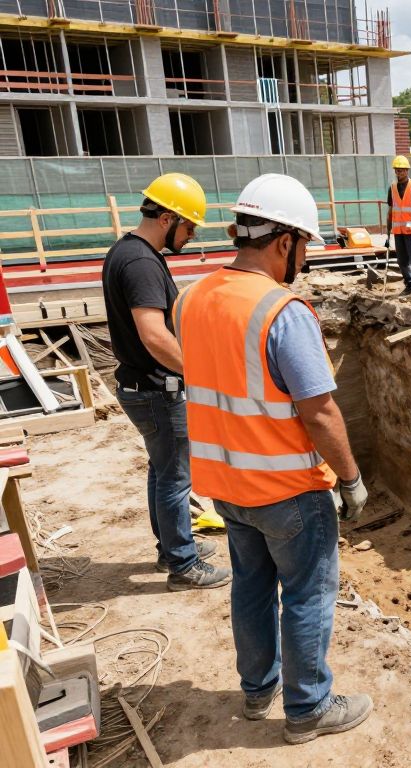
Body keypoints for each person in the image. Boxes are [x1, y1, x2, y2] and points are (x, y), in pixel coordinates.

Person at [173, 173, 372, 744]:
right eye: (304, 246)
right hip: (287, 490)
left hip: (225, 485)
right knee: (307, 594)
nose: (304, 259)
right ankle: (308, 708)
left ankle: (260, 690)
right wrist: (352, 479)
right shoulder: (282, 311)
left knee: (251, 586)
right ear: (283, 242)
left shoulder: (192, 298)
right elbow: (321, 412)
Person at [101, 173, 231, 591]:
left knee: (162, 472)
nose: (191, 236)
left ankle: (172, 547)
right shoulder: (140, 263)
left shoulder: (127, 251)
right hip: (157, 389)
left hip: (142, 387)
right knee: (176, 476)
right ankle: (183, 564)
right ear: (167, 218)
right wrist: (199, 373)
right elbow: (153, 334)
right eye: (189, 226)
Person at [384, 155, 411, 300]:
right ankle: (410, 285)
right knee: (402, 261)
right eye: (397, 170)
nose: (399, 172)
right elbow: (391, 210)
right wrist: (387, 231)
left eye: (402, 170)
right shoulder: (392, 188)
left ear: (407, 171)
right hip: (398, 231)